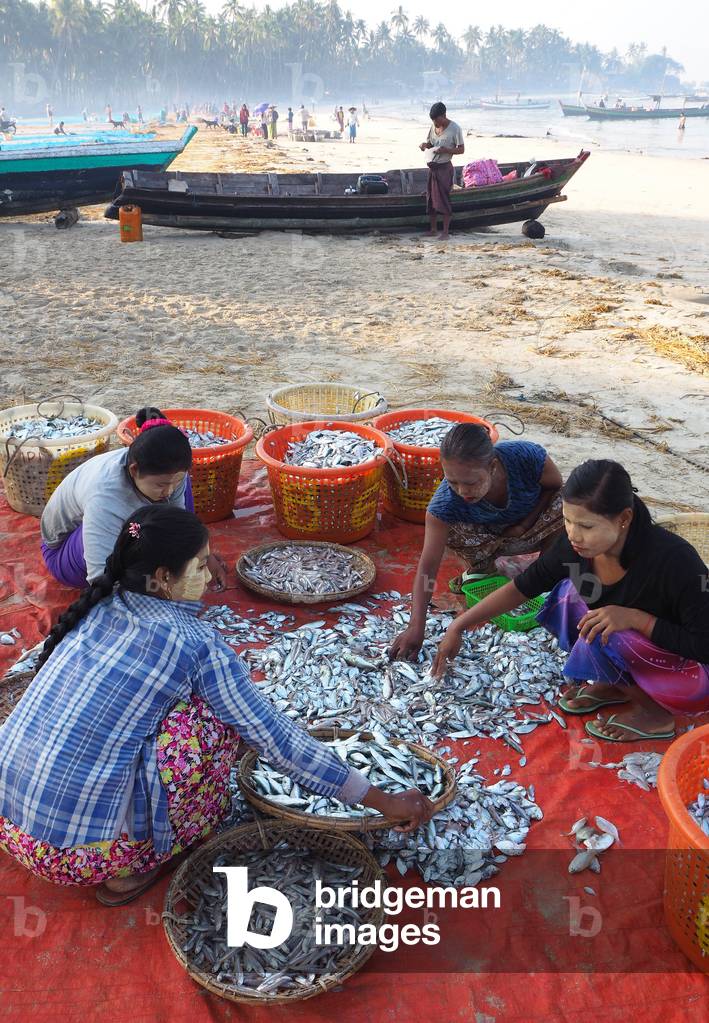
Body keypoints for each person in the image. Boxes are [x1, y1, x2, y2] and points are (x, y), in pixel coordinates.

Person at [0, 507, 434, 905]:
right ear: (165, 577)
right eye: (200, 564)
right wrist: (379, 799)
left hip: (12, 828)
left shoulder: (95, 605)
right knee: (215, 721)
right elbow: (273, 737)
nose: (209, 574)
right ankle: (133, 867)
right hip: (78, 856)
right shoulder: (194, 644)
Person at [430, 459, 709, 742]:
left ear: (624, 519)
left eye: (586, 526)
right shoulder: (574, 547)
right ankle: (616, 684)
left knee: (609, 628)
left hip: (690, 677)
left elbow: (703, 645)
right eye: (567, 520)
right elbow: (523, 586)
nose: (574, 534)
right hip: (640, 650)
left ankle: (655, 716)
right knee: (567, 595)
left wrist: (637, 619)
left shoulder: (675, 561)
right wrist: (458, 627)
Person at [389, 423, 563, 661]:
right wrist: (416, 626)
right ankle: (482, 567)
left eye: (471, 482)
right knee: (442, 527)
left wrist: (525, 524)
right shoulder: (444, 504)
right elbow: (428, 567)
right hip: (486, 539)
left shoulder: (525, 456)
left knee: (568, 502)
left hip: (528, 528)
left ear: (492, 467)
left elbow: (555, 485)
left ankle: (546, 571)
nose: (462, 490)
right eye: (452, 482)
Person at [40, 405, 226, 591]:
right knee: (134, 534)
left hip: (126, 526)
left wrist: (200, 559)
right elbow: (99, 577)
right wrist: (147, 597)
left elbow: (178, 526)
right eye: (160, 485)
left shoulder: (170, 474)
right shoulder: (105, 496)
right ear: (134, 470)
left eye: (174, 482)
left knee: (176, 505)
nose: (169, 491)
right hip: (65, 554)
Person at [419, 101, 465, 241]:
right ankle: (433, 229)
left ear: (444, 116)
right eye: (433, 121)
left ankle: (445, 232)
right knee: (431, 198)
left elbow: (461, 149)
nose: (436, 124)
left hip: (445, 168)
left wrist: (447, 150)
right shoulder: (433, 127)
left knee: (444, 198)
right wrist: (424, 145)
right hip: (433, 168)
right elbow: (431, 143)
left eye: (437, 120)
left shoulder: (455, 129)